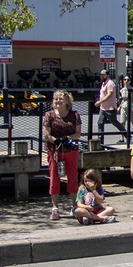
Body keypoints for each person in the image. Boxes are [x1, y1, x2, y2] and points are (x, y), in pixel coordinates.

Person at [42, 90, 82, 221]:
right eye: (56, 99)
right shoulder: (49, 115)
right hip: (54, 149)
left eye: (60, 99)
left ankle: (74, 205)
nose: (58, 101)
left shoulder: (74, 115)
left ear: (67, 101)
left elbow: (78, 133)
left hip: (70, 149)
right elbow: (46, 134)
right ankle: (55, 207)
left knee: (72, 176)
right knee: (54, 176)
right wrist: (55, 140)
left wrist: (68, 138)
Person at [96, 69, 128, 143]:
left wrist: (99, 102)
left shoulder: (110, 83)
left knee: (115, 122)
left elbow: (109, 95)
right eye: (101, 75)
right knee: (100, 123)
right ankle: (100, 142)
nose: (102, 76)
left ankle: (127, 135)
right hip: (103, 108)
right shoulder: (103, 83)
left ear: (107, 75)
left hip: (110, 108)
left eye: (103, 75)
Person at [118, 74, 133, 138]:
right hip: (123, 106)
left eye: (128, 80)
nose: (126, 81)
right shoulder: (122, 90)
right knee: (122, 122)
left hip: (130, 106)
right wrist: (119, 107)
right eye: (125, 79)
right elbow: (123, 99)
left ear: (130, 81)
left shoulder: (132, 89)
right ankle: (122, 138)